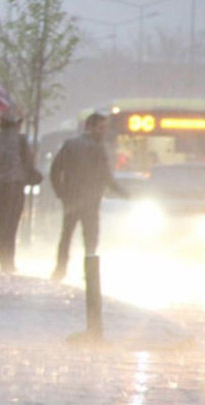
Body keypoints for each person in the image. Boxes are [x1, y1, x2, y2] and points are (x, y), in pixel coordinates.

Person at [49, 113, 128, 282]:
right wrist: (124, 194)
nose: (104, 132)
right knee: (90, 237)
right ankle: (90, 272)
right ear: (90, 127)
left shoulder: (70, 145)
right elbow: (106, 176)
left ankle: (60, 269)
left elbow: (55, 169)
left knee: (66, 235)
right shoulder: (98, 148)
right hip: (91, 200)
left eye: (105, 128)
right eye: (101, 128)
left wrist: (61, 192)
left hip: (71, 198)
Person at [0, 111, 36, 273]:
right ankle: (9, 261)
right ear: (17, 123)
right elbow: (29, 163)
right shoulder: (21, 139)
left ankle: (3, 259)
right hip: (15, 185)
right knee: (12, 224)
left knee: (1, 223)